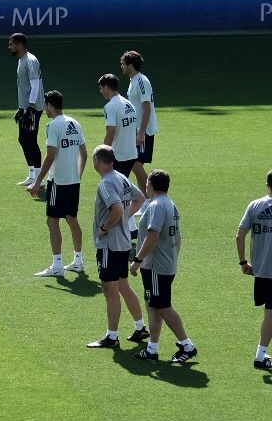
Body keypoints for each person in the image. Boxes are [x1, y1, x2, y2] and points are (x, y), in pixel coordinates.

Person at [129, 169, 196, 363]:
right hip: (162, 263)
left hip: (156, 265)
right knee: (153, 305)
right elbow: (178, 236)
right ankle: (152, 348)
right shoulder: (170, 204)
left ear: (149, 184)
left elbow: (153, 236)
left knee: (163, 306)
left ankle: (187, 345)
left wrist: (137, 260)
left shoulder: (157, 206)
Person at [86, 146, 149, 349]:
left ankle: (112, 337)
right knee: (123, 285)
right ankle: (140, 327)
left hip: (109, 245)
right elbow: (140, 198)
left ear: (97, 160)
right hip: (123, 243)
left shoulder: (106, 183)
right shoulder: (121, 177)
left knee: (109, 289)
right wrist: (124, 218)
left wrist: (105, 226)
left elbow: (117, 208)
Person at [29, 90, 87, 277]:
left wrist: (38, 182)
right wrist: (77, 175)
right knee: (72, 218)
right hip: (73, 181)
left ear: (50, 105)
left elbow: (50, 155)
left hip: (59, 181)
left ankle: (57, 265)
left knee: (52, 220)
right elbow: (84, 154)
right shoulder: (75, 123)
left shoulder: (53, 125)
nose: (44, 108)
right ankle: (78, 261)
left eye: (45, 105)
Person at [236, 169, 272, 370]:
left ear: (268, 185)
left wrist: (243, 262)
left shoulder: (255, 206)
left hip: (261, 270)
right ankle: (260, 355)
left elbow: (240, 235)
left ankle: (262, 353)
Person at [9, 33, 45, 188]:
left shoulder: (30, 61)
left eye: (11, 44)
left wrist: (30, 108)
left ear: (19, 44)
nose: (9, 47)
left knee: (30, 140)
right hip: (26, 108)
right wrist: (21, 108)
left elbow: (35, 84)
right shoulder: (21, 60)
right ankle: (32, 175)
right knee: (23, 139)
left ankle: (39, 179)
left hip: (33, 108)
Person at [121, 50, 158, 188]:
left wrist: (142, 132)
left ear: (130, 65)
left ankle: (156, 193)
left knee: (135, 165)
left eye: (123, 64)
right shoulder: (133, 81)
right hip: (136, 130)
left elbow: (147, 107)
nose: (122, 67)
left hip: (143, 130)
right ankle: (145, 198)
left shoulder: (141, 81)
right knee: (136, 166)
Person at [98, 73, 140, 185]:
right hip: (131, 154)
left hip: (119, 156)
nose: (101, 91)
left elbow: (111, 132)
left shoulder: (110, 106)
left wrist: (102, 153)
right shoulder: (129, 104)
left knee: (113, 188)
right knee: (121, 186)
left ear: (106, 87)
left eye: (101, 88)